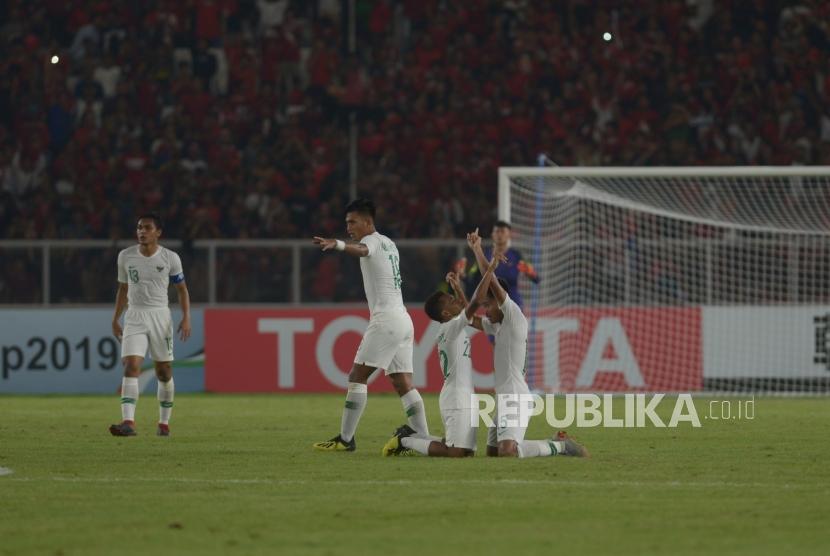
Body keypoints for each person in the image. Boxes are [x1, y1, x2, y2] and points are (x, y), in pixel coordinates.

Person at [311, 198, 429, 451]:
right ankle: (423, 437)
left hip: (386, 320)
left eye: (352, 222)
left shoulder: (371, 241)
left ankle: (345, 439)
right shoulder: (390, 242)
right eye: (346, 223)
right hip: (403, 319)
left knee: (357, 376)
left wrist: (339, 245)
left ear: (367, 222)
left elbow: (364, 251)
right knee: (402, 382)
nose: (349, 227)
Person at [467, 228, 588, 458]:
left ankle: (560, 445)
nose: (486, 310)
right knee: (492, 453)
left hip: (516, 396)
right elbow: (469, 319)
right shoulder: (497, 325)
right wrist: (458, 304)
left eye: (488, 305)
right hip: (503, 397)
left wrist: (478, 250)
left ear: (499, 301)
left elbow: (490, 281)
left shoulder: (513, 315)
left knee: (509, 452)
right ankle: (552, 444)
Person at [382, 253, 501, 458]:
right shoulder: (449, 328)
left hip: (467, 395)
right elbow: (475, 303)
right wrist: (489, 271)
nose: (455, 301)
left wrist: (457, 289)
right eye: (451, 300)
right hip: (455, 397)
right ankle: (405, 440)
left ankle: (412, 435)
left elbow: (467, 310)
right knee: (454, 452)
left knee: (466, 453)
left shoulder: (454, 324)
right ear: (446, 314)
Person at [109, 214, 191, 437]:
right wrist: (116, 318)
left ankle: (164, 424)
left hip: (160, 317)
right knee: (131, 366)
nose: (141, 232)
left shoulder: (170, 258)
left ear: (158, 233)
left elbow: (181, 289)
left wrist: (186, 317)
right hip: (134, 316)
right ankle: (128, 422)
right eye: (138, 228)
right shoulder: (125, 256)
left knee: (163, 372)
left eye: (147, 228)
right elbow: (123, 289)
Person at [464, 221, 539, 309]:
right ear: (492, 234)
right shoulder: (484, 254)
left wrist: (530, 272)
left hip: (513, 304)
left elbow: (536, 279)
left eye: (502, 231)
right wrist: (462, 275)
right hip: (491, 306)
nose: (499, 234)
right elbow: (471, 276)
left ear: (509, 235)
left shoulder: (516, 256)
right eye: (497, 231)